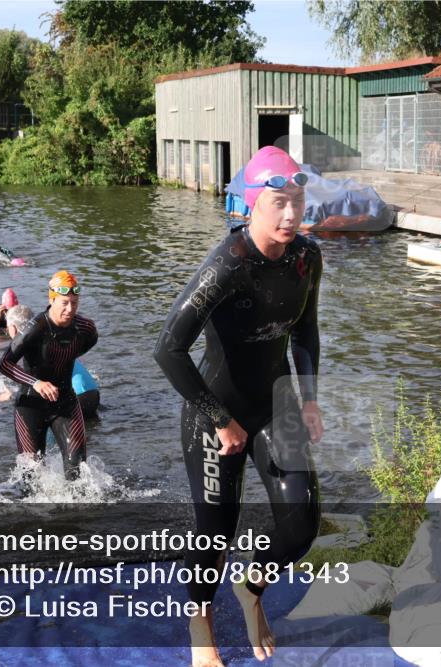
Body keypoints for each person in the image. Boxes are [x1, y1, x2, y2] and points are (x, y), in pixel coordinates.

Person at [154, 146, 323, 666]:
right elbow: (168, 349)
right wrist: (220, 421)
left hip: (275, 403)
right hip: (216, 409)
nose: (291, 214)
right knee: (216, 529)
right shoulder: (226, 266)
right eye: (279, 202)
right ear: (253, 204)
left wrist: (310, 400)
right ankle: (199, 618)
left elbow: (306, 333)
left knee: (301, 525)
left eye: (297, 199)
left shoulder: (306, 258)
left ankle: (251, 588)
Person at [0, 271, 97, 480]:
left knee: (78, 473)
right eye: (64, 303)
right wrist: (36, 382)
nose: (70, 309)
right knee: (30, 477)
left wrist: (64, 356)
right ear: (51, 299)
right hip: (30, 405)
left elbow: (89, 342)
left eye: (74, 303)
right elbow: (5, 364)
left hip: (65, 403)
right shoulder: (35, 329)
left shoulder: (84, 327)